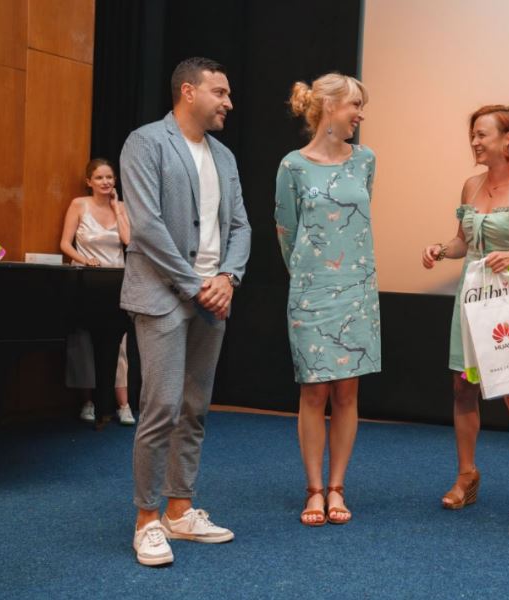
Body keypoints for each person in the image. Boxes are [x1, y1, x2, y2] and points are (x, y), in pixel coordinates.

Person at [120, 57, 251, 566]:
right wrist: (197, 284)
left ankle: (179, 510)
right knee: (161, 408)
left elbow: (241, 226)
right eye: (220, 92)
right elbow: (147, 226)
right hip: (163, 297)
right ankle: (146, 520)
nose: (228, 103)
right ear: (189, 92)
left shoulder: (225, 156)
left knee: (195, 407)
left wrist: (228, 278)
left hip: (213, 298)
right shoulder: (146, 142)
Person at [421, 105, 509, 534]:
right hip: (471, 294)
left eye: (482, 134)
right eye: (474, 135)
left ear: (508, 138)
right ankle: (467, 475)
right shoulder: (471, 185)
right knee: (463, 386)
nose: (475, 142)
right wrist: (441, 250)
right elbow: (463, 242)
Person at [275, 73, 380, 527]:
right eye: (355, 105)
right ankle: (314, 489)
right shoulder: (292, 166)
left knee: (348, 391)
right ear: (329, 107)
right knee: (314, 390)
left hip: (357, 288)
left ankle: (337, 486)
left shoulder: (366, 160)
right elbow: (286, 231)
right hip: (311, 290)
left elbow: (357, 220)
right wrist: (308, 277)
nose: (360, 114)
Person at [60, 158, 135, 426]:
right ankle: (88, 402)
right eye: (100, 178)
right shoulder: (79, 204)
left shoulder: (122, 207)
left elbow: (128, 241)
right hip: (87, 280)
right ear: (89, 181)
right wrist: (84, 260)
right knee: (82, 341)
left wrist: (117, 208)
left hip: (116, 281)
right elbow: (65, 244)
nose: (106, 182)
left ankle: (123, 405)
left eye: (110, 177)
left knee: (119, 343)